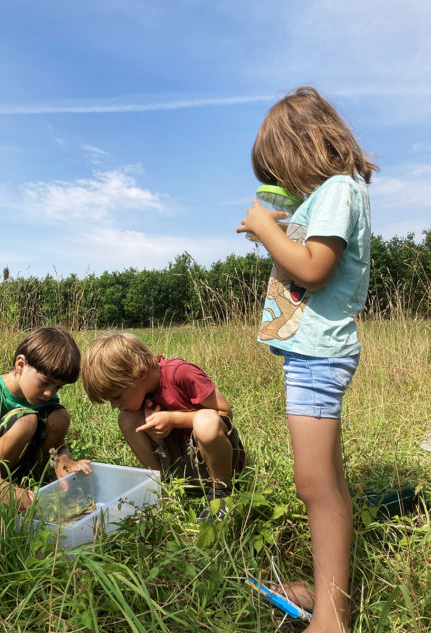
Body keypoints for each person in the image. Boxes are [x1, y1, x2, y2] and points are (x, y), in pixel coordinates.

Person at [236, 87, 378, 633]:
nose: (284, 181)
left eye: (281, 167)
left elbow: (314, 267)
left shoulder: (341, 189)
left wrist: (269, 230)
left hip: (319, 358)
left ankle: (333, 617)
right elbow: (304, 257)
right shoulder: (330, 197)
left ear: (306, 145)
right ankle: (327, 590)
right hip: (311, 356)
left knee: (314, 485)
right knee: (327, 483)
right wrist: (278, 228)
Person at [81, 332, 245, 521]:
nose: (114, 405)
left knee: (205, 422)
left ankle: (222, 493)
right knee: (126, 419)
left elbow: (225, 413)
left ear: (140, 373)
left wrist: (174, 419)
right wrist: (156, 435)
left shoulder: (181, 373)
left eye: (117, 396)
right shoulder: (142, 393)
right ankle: (160, 487)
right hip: (182, 466)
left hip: (217, 461)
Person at [0, 326, 92, 510]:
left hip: (21, 469)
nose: (49, 392)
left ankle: (37, 479)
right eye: (44, 382)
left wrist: (64, 463)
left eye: (58, 387)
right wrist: (6, 491)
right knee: (27, 421)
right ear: (21, 364)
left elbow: (58, 447)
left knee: (59, 416)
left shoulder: (46, 397)